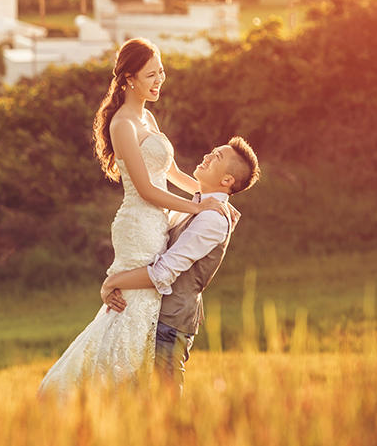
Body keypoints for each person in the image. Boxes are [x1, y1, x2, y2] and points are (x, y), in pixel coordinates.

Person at [37, 37, 229, 398]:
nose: (159, 81)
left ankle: (136, 386)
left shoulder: (148, 116)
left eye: (161, 73)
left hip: (158, 219)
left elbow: (171, 172)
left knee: (144, 302)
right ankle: (101, 386)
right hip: (138, 223)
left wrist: (212, 197)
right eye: (151, 75)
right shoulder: (123, 125)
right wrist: (198, 207)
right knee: (133, 304)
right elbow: (145, 189)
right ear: (128, 78)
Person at [101, 136, 260, 392]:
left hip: (169, 324)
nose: (207, 156)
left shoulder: (213, 219)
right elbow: (171, 172)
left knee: (167, 407)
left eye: (216, 157)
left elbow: (164, 273)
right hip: (153, 316)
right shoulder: (197, 205)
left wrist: (112, 282)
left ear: (227, 180)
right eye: (212, 151)